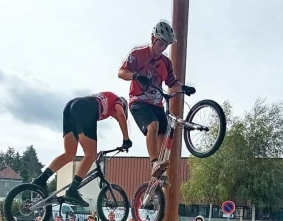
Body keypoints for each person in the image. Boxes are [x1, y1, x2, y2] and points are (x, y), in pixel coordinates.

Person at [118, 20, 196, 186]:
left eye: (166, 45)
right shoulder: (138, 54)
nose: (162, 48)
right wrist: (135, 76)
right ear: (153, 39)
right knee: (152, 125)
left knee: (164, 135)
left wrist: (184, 88)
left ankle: (160, 173)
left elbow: (171, 83)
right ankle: (154, 163)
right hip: (138, 101)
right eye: (161, 43)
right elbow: (121, 72)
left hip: (157, 104)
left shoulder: (166, 62)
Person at [33, 92, 132, 207]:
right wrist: (126, 139)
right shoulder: (117, 100)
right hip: (83, 109)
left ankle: (40, 180)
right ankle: (73, 190)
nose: (114, 116)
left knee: (69, 154)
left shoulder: (104, 100)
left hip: (70, 107)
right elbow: (120, 114)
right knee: (91, 155)